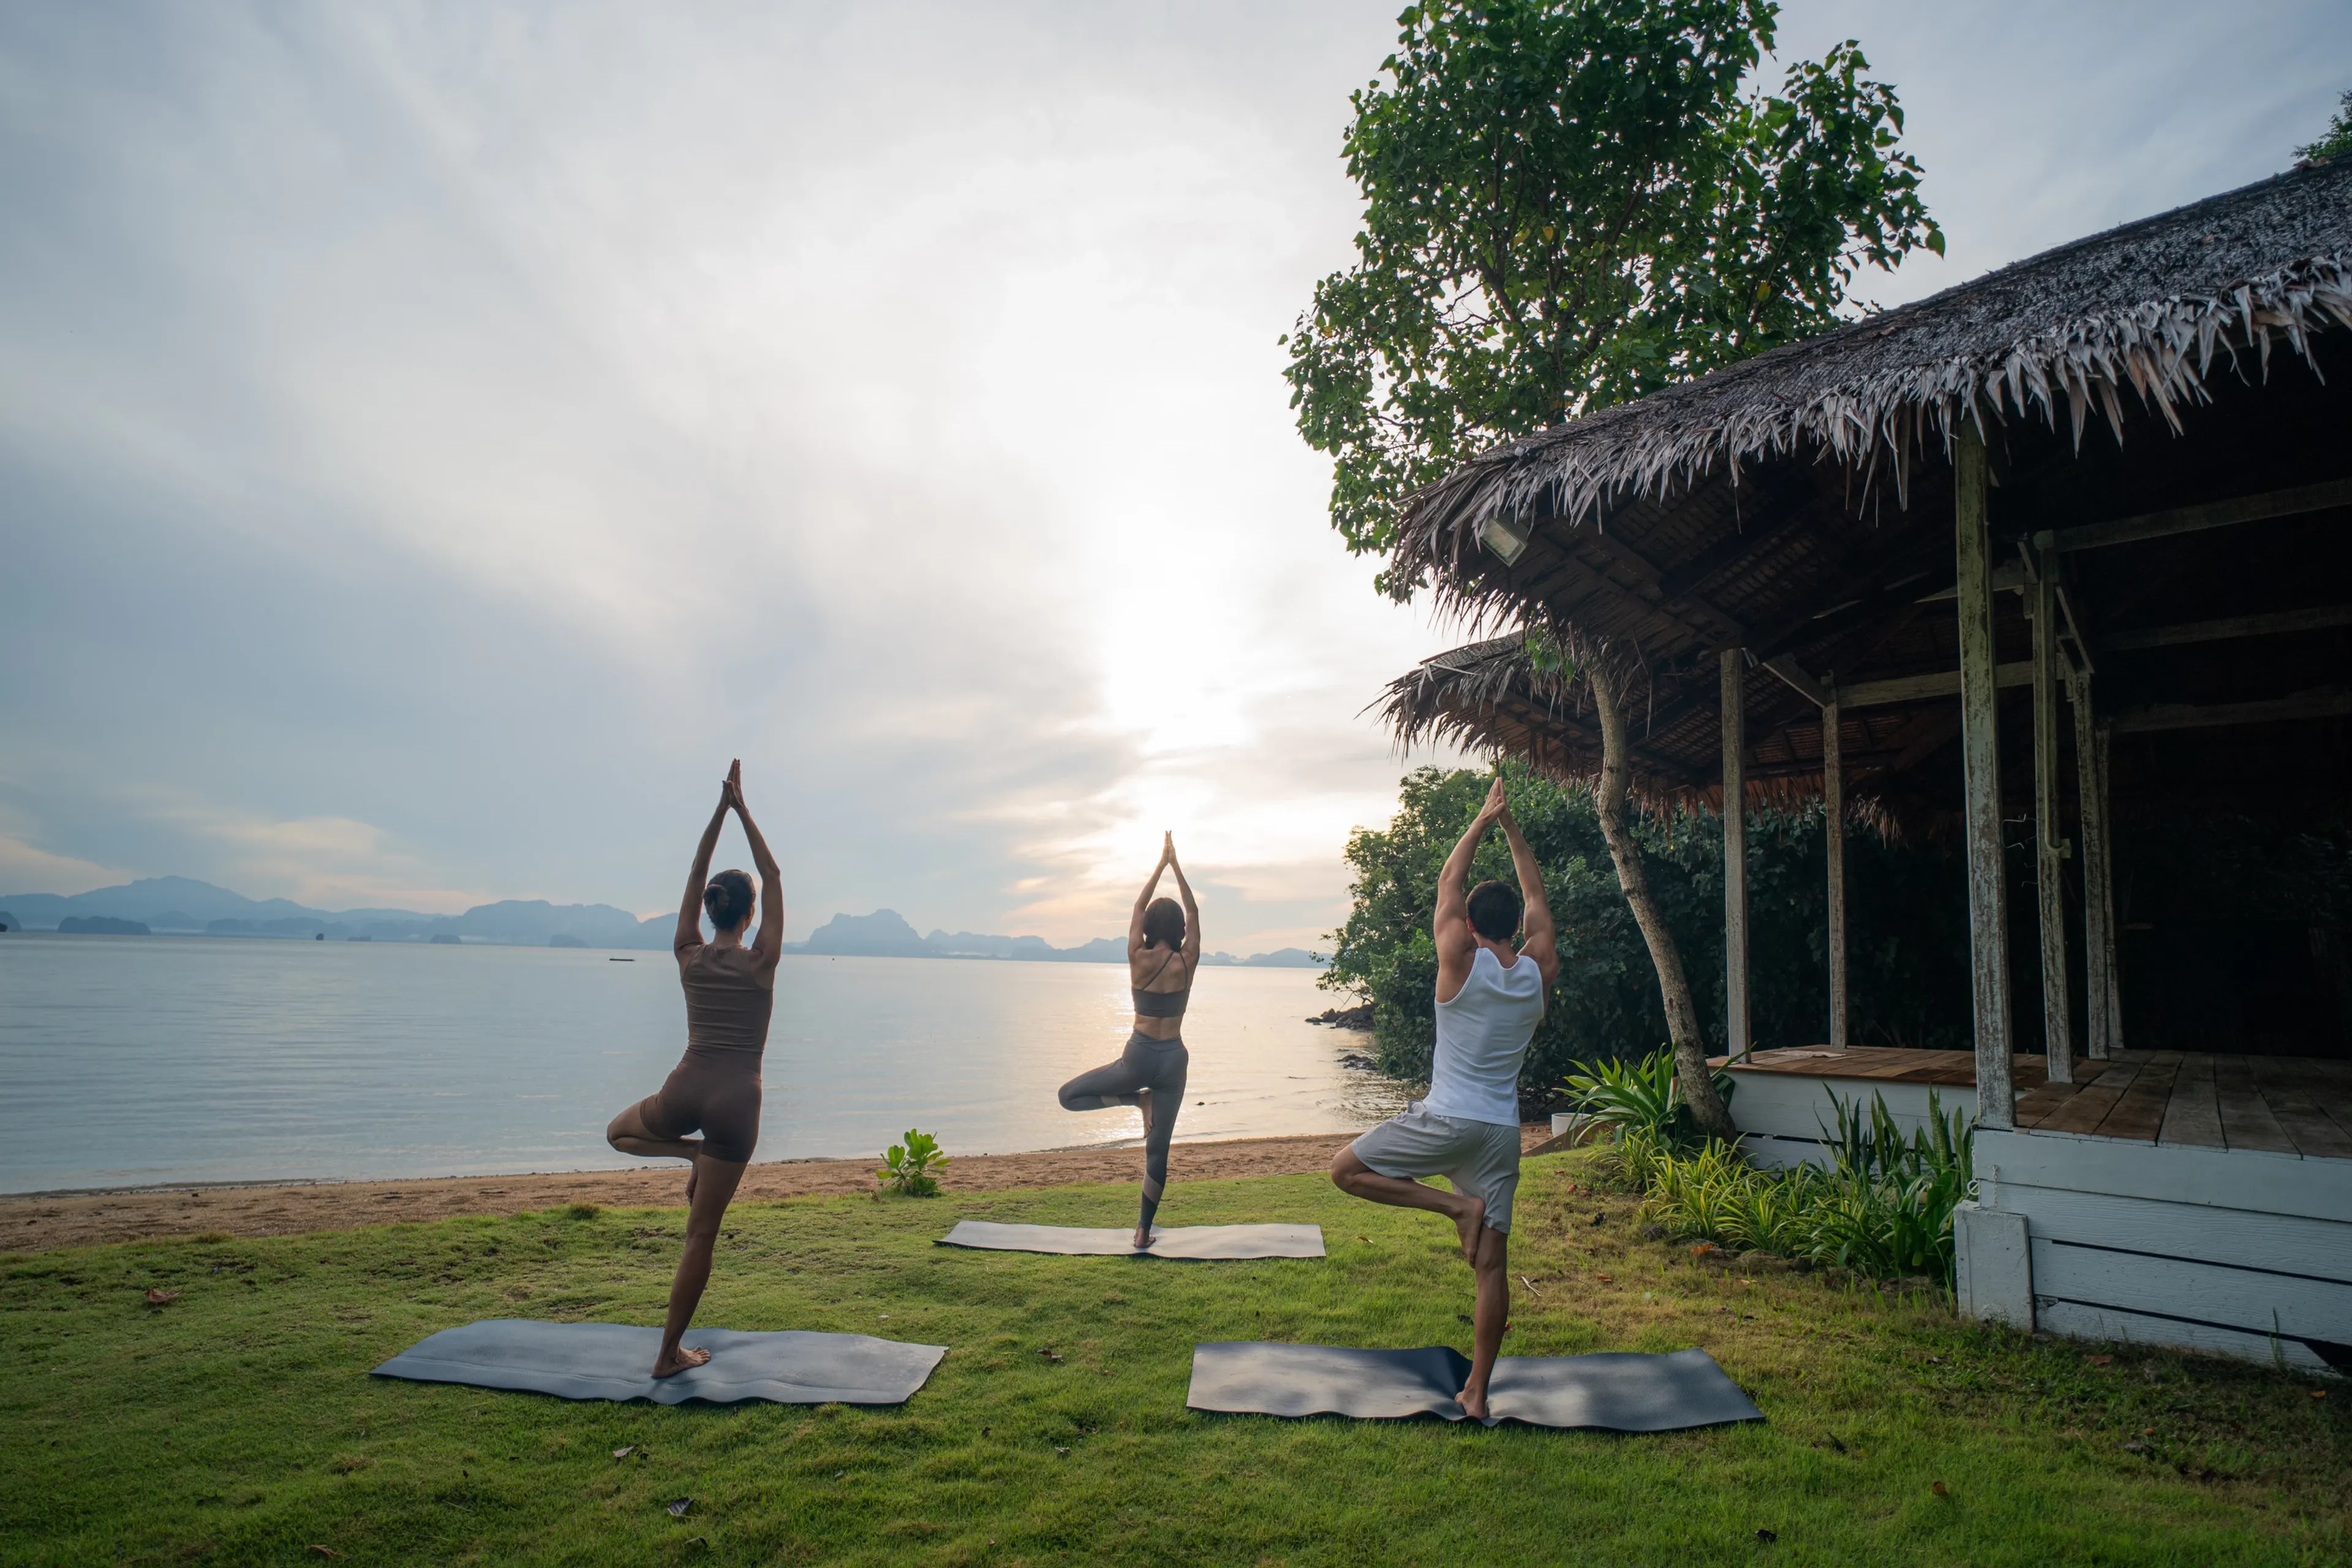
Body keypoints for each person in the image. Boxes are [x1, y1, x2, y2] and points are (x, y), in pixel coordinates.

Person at [1330, 772, 1557, 1420]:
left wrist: (1483, 819)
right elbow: (1537, 895)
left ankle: (1455, 1210)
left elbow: (1447, 884)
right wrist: (1513, 830)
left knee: (1347, 1170)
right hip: (1501, 1133)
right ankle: (1478, 1393)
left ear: (1467, 924)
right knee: (1492, 1269)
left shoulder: (1458, 959)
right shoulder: (1538, 973)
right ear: (1516, 925)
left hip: (1448, 1119)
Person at [604, 760, 783, 1378]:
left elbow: (694, 872)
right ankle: (666, 1354)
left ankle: (686, 1154)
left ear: (710, 912)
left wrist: (718, 810)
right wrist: (742, 807)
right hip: (738, 1104)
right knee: (699, 1236)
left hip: (685, 1090)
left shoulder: (686, 954)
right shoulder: (761, 962)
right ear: (751, 914)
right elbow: (773, 871)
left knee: (618, 1132)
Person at [1058, 831, 1201, 1249]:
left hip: (1137, 1058)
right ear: (1179, 929)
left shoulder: (1137, 959)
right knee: (1158, 1152)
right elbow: (1192, 909)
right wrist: (1177, 866)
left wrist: (1160, 865)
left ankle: (1134, 1100)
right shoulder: (1186, 961)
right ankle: (1142, 1231)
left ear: (1147, 928)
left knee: (1069, 1096)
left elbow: (1139, 906)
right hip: (1173, 1059)